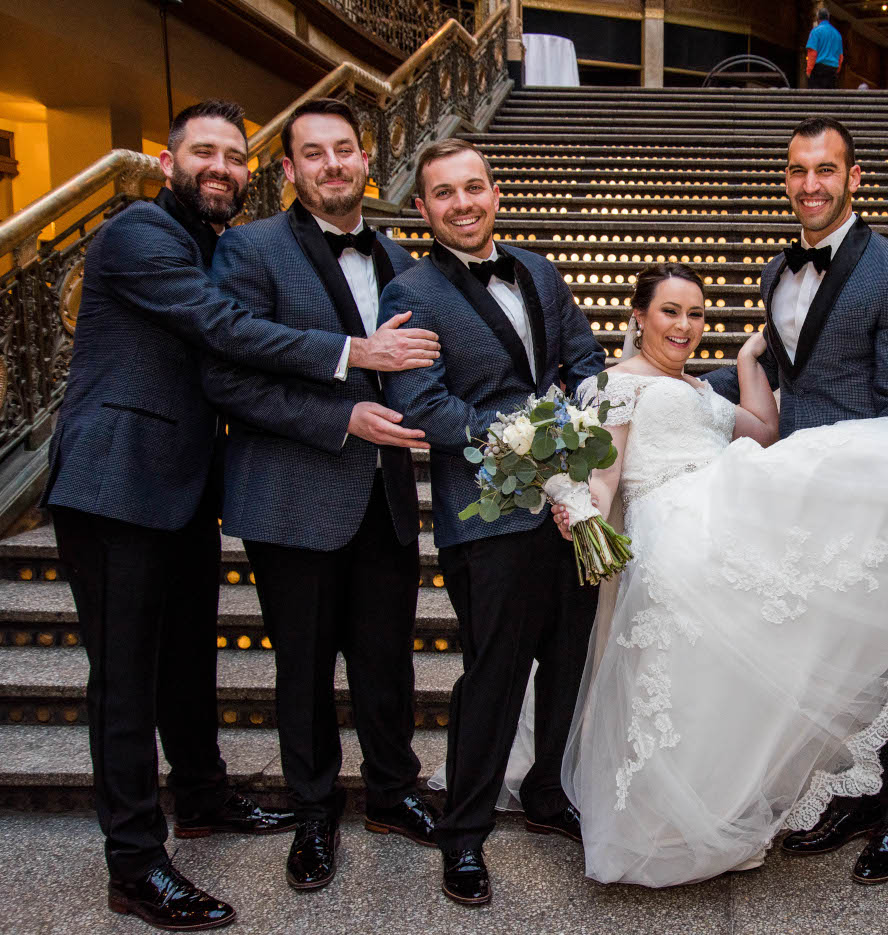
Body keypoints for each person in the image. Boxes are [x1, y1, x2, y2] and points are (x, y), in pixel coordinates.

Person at [554, 263, 888, 887]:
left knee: (837, 457)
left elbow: (762, 429)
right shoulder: (614, 386)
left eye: (696, 314)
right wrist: (581, 509)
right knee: (834, 456)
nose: (686, 326)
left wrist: (752, 358)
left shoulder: (701, 390)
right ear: (637, 317)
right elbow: (604, 476)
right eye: (670, 311)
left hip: (717, 507)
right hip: (674, 523)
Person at [43, 98, 436, 932]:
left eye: (232, 156)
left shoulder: (219, 243)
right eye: (204, 154)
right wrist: (351, 358)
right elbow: (225, 332)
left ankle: (204, 798)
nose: (219, 168)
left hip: (186, 488)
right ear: (167, 162)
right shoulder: (141, 236)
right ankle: (137, 865)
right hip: (116, 481)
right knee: (124, 684)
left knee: (186, 659)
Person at [202, 98, 441, 893]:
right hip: (294, 497)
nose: (333, 164)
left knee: (386, 661)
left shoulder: (404, 256)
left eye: (345, 149)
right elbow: (228, 378)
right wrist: (343, 417)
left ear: (367, 161)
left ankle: (393, 790)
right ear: (290, 168)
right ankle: (313, 810)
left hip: (385, 499)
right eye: (315, 153)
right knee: (302, 667)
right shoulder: (248, 250)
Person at [704, 115, 888, 884]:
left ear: (854, 178)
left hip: (872, 494)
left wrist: (877, 497)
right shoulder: (777, 270)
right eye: (799, 170)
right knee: (829, 659)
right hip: (800, 491)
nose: (811, 184)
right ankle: (853, 795)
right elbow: (789, 380)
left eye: (826, 170)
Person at [378, 137, 606, 908]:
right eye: (445, 193)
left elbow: (583, 357)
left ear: (495, 190)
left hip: (572, 512)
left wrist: (587, 423)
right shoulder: (409, 291)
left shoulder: (539, 268)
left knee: (569, 658)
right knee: (494, 676)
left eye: (473, 187)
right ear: (423, 208)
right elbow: (426, 407)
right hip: (487, 519)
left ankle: (546, 790)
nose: (463, 203)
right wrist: (517, 443)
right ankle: (464, 831)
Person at [806, 9, 844, 89]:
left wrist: (809, 70)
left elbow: (812, 52)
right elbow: (840, 56)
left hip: (819, 69)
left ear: (818, 18)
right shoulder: (837, 34)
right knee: (829, 97)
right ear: (828, 18)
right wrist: (837, 70)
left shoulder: (815, 31)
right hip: (832, 70)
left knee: (816, 97)